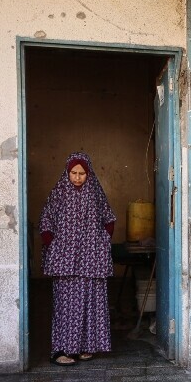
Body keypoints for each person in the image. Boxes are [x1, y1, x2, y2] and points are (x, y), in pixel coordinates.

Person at [40, 152, 116, 366]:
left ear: (88, 173)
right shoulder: (59, 193)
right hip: (65, 260)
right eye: (73, 173)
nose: (77, 177)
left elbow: (108, 218)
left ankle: (85, 346)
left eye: (82, 173)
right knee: (66, 305)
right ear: (67, 172)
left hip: (90, 260)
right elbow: (46, 218)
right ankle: (62, 350)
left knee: (89, 301)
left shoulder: (95, 193)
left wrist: (102, 241)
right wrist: (52, 242)